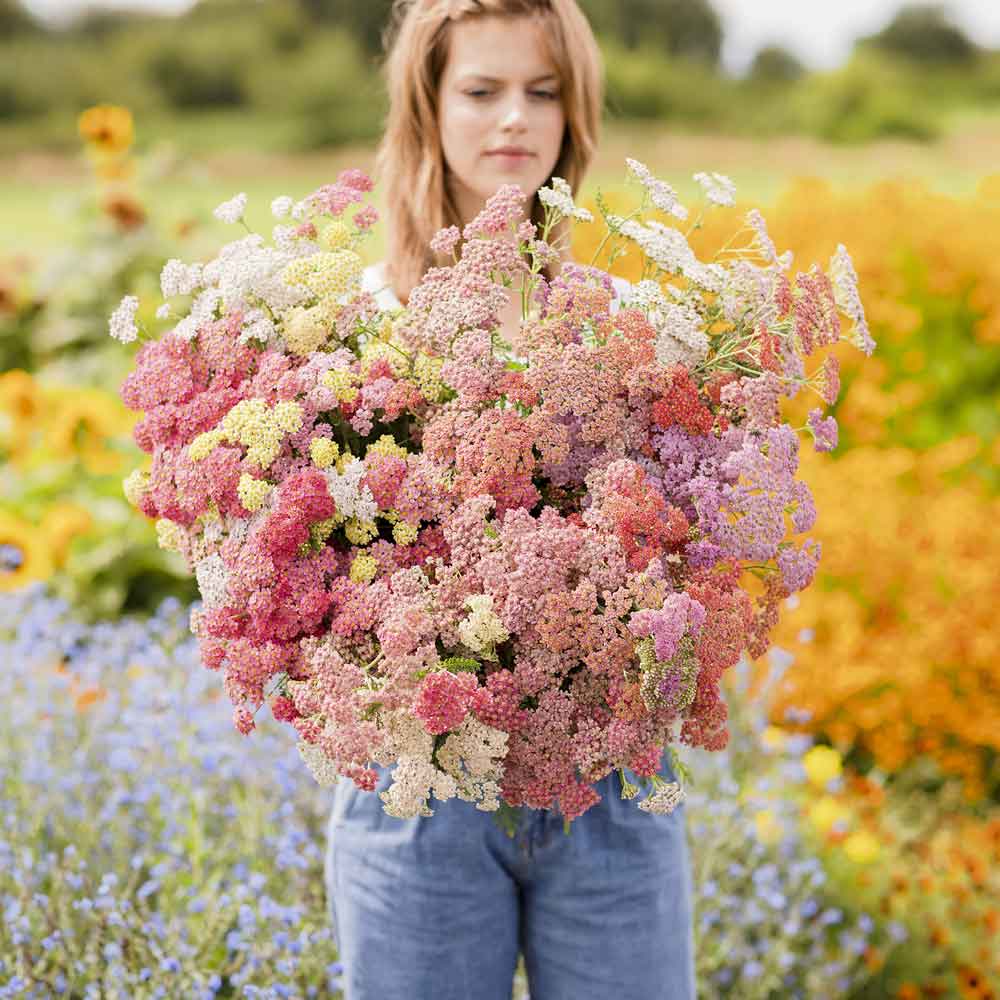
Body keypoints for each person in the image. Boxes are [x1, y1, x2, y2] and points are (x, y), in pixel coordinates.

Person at [324, 2, 696, 998]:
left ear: (574, 114)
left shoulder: (628, 320)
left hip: (609, 781)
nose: (514, 123)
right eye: (482, 92)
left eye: (542, 93)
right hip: (423, 782)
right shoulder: (356, 324)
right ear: (427, 107)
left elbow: (679, 532)